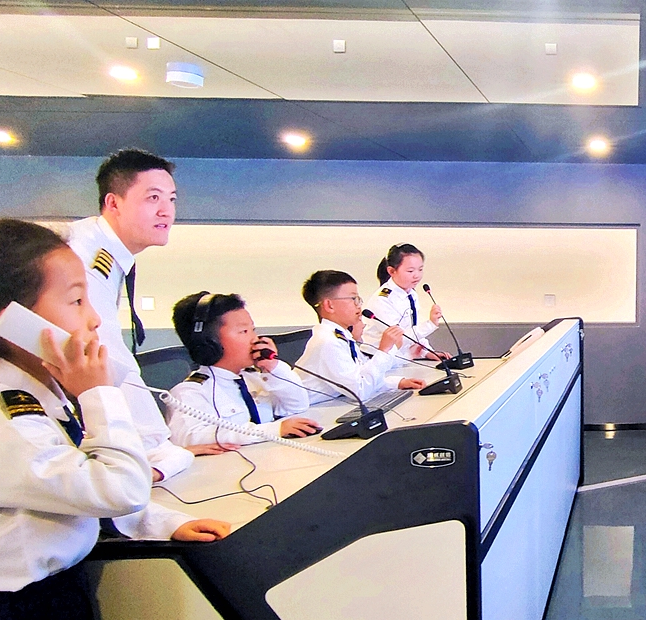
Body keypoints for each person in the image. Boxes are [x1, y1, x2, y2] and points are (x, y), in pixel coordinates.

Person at [0, 220, 228, 620]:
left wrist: (160, 523)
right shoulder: (9, 425)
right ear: (16, 323)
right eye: (77, 301)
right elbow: (120, 489)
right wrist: (98, 393)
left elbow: (78, 491)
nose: (95, 319)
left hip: (43, 594)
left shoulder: (43, 401)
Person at [66, 149, 213, 483]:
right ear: (113, 203)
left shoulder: (104, 248)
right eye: (152, 198)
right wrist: (157, 445)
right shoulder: (87, 256)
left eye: (171, 199)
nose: (166, 211)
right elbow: (106, 354)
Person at [168, 292, 321, 446]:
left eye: (253, 330)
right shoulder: (190, 392)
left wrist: (273, 367)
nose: (255, 339)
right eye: (244, 332)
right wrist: (273, 430)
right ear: (209, 343)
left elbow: (297, 405)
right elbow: (190, 437)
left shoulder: (255, 378)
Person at [295, 270, 425, 404]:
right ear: (329, 305)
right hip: (304, 411)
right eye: (353, 299)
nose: (359, 305)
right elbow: (359, 391)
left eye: (358, 299)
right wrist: (384, 350)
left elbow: (361, 375)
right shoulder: (328, 342)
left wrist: (396, 383)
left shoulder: (342, 337)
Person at [363, 244, 450, 361]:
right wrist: (430, 324)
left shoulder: (411, 294)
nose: (417, 275)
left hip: (402, 358)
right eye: (410, 271)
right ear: (392, 271)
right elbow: (398, 338)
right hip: (377, 360)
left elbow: (412, 328)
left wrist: (427, 351)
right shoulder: (382, 300)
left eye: (420, 269)